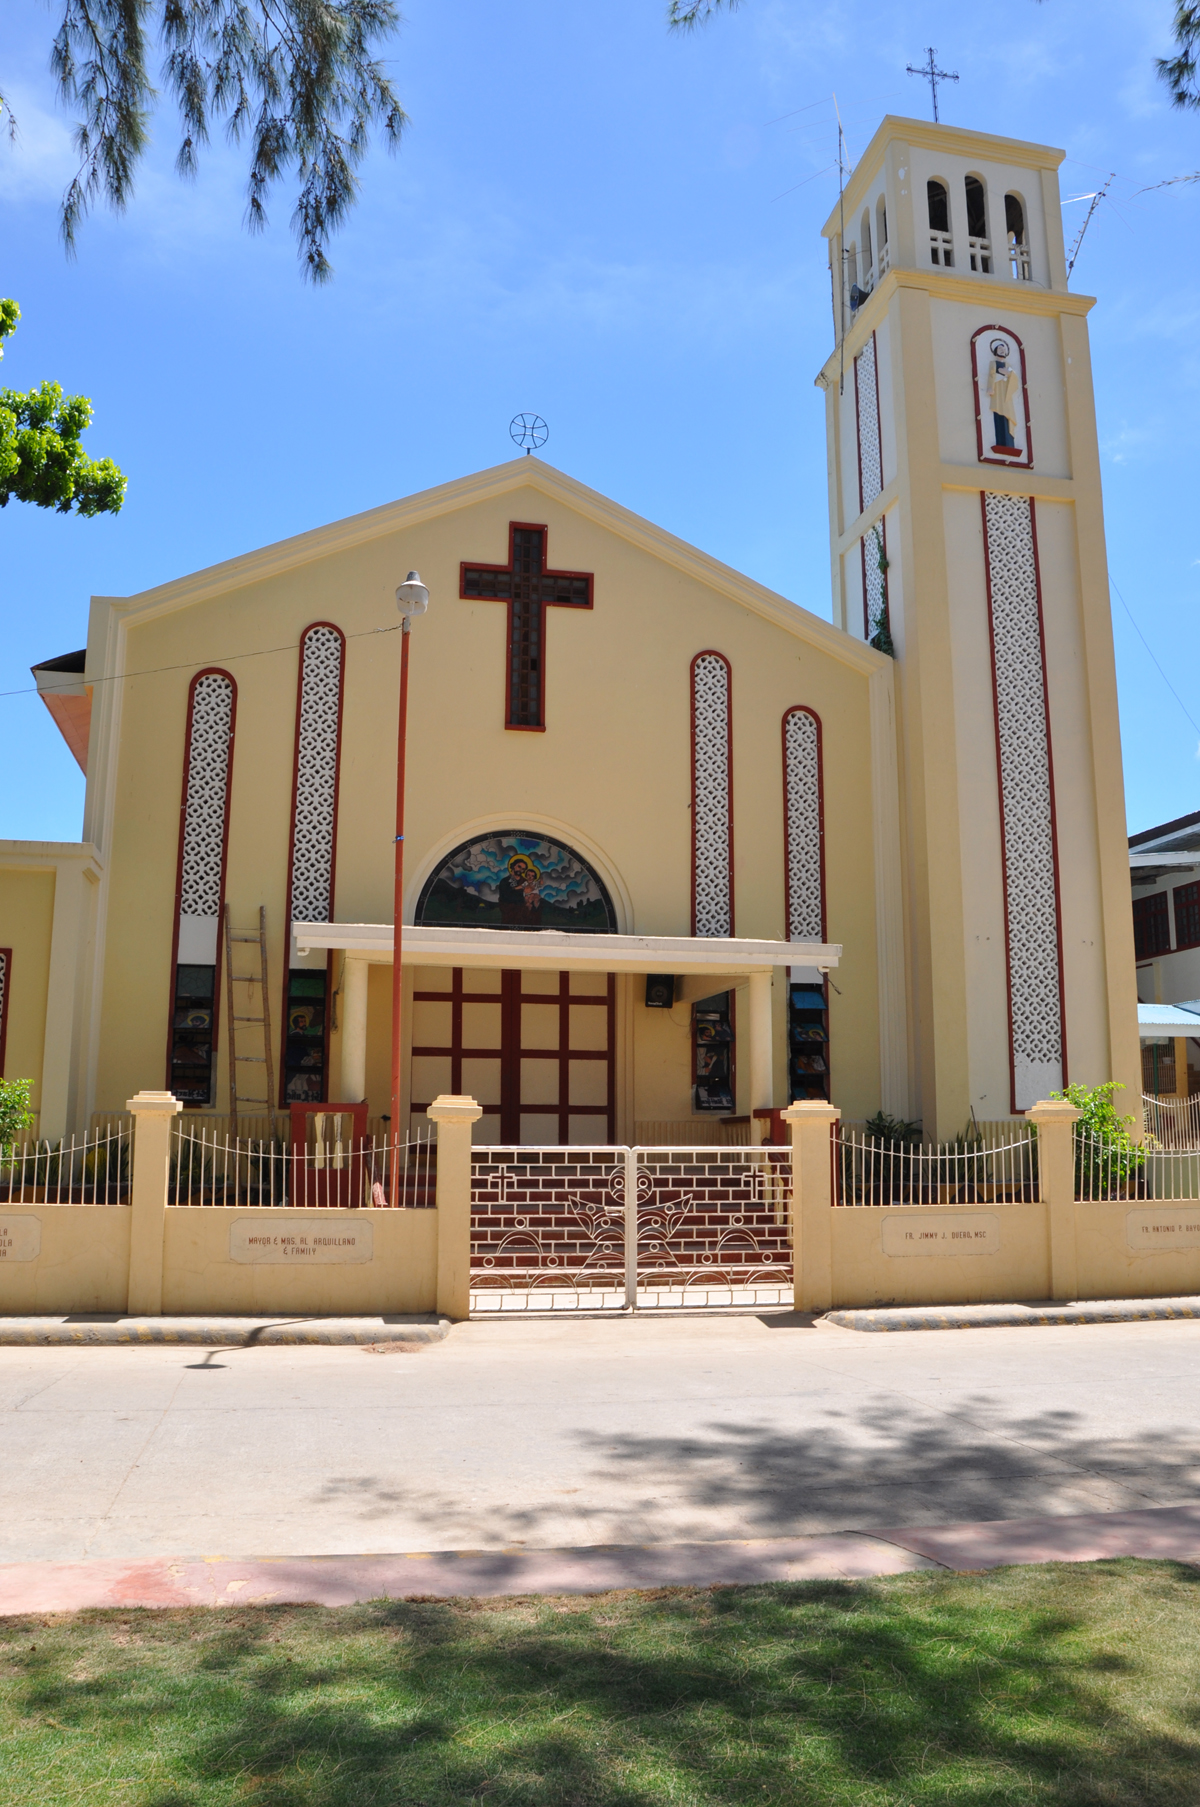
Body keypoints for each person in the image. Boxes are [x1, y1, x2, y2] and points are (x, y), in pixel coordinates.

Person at [987, 338, 1021, 451]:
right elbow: (991, 376)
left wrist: (1009, 373)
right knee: (998, 414)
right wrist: (990, 388)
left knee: (1008, 414)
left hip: (1007, 393)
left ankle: (1010, 443)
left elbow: (1014, 377)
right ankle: (1001, 442)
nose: (1002, 350)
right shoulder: (993, 363)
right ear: (995, 351)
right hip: (997, 393)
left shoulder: (1008, 364)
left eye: (1004, 349)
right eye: (1000, 348)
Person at [498, 853, 543, 926]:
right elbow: (504, 897)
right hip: (510, 915)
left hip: (524, 917)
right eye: (519, 867)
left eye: (523, 869)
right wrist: (522, 898)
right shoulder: (505, 881)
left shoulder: (526, 882)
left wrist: (536, 901)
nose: (520, 870)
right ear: (513, 866)